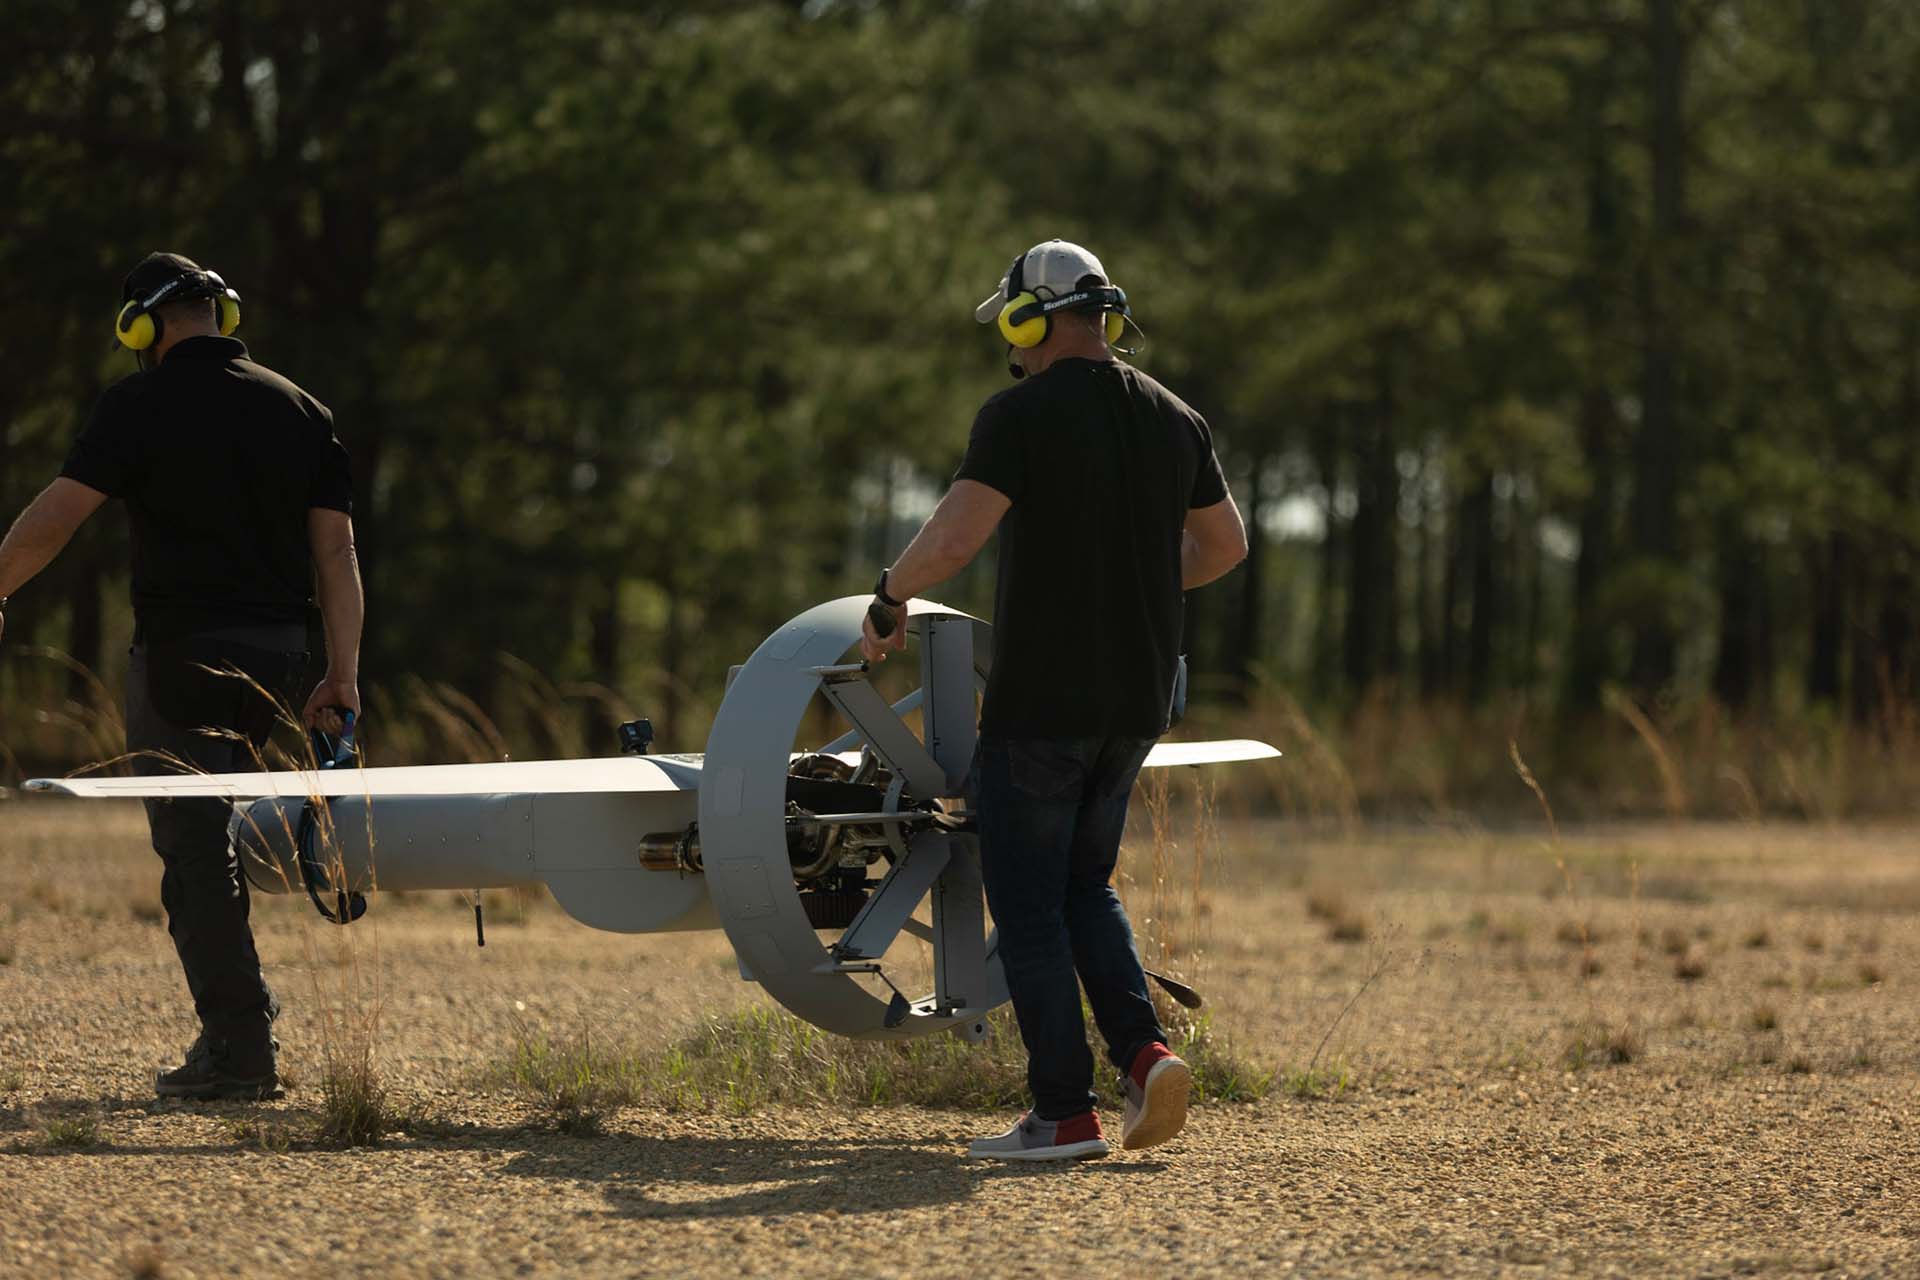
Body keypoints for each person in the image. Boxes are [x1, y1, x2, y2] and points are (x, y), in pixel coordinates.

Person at [860, 239, 1248, 1160]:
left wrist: (890, 594)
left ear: (1033, 318)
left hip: (1044, 705)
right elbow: (1225, 546)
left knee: (1028, 902)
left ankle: (1062, 1115)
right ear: (1105, 315)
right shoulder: (1176, 417)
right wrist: (1141, 588)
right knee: (1085, 885)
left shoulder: (1019, 414)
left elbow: (954, 538)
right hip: (1137, 704)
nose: (1014, 346)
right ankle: (1145, 1054)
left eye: (1015, 328)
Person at [0, 252, 363, 1100]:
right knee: (213, 833)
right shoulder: (303, 409)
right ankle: (241, 1028)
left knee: (193, 842)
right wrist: (341, 673)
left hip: (181, 656)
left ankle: (239, 1048)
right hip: (280, 655)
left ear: (142, 325)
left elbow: (52, 521)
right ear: (220, 316)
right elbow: (337, 553)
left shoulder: (136, 405)